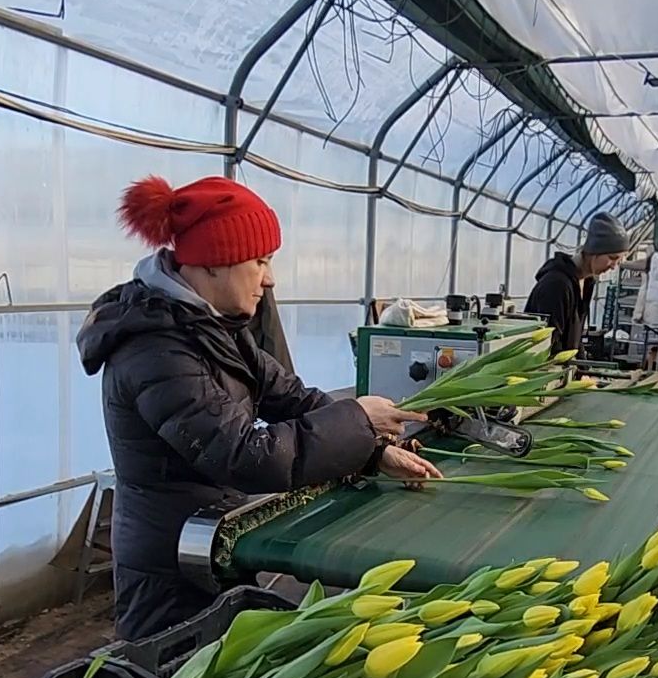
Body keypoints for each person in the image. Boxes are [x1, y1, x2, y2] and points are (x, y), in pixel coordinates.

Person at [77, 175, 442, 640]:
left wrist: (373, 449)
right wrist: (358, 418)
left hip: (215, 539)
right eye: (261, 260)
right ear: (213, 263)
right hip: (170, 566)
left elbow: (289, 395)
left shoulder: (213, 329)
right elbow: (244, 455)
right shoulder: (155, 351)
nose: (270, 278)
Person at [524, 211, 633, 356]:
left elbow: (575, 339)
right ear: (595, 251)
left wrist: (584, 369)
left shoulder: (587, 283)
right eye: (612, 258)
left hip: (565, 370)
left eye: (618, 261)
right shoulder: (557, 285)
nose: (614, 266)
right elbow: (548, 345)